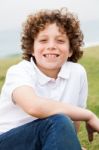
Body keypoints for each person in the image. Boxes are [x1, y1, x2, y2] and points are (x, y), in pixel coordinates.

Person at [0, 7, 99, 150]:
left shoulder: (77, 73)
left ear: (71, 49)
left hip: (46, 141)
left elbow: (74, 120)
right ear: (32, 49)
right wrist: (89, 116)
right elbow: (34, 106)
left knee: (62, 123)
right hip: (9, 141)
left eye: (60, 41)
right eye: (43, 40)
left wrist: (70, 144)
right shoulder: (19, 72)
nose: (51, 46)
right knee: (59, 121)